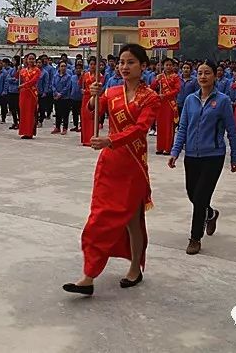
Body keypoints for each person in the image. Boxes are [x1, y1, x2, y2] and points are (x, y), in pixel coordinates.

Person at [63, 44, 160, 296]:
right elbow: (92, 111)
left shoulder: (150, 97)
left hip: (133, 165)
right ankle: (88, 275)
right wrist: (94, 96)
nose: (124, 67)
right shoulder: (112, 91)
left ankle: (135, 267)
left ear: (143, 66)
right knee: (99, 217)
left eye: (130, 62)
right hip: (109, 165)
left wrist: (110, 140)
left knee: (131, 221)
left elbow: (140, 129)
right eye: (121, 62)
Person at [168, 59, 236, 255]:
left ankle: (195, 238)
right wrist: (175, 151)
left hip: (213, 156)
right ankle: (210, 213)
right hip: (191, 155)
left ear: (215, 76)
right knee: (192, 193)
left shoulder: (222, 101)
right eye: (200, 73)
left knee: (200, 197)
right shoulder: (190, 99)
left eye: (207, 73)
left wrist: (235, 156)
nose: (203, 76)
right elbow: (183, 128)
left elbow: (231, 130)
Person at [151, 57, 180, 155]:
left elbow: (177, 90)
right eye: (166, 65)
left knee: (169, 126)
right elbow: (152, 87)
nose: (168, 67)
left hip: (170, 103)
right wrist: (156, 80)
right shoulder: (160, 76)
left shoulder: (175, 77)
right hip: (161, 104)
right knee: (160, 125)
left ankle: (168, 148)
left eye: (170, 65)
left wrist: (166, 95)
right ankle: (160, 147)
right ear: (163, 66)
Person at [18, 53, 41, 139]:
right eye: (29, 59)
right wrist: (17, 70)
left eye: (33, 59)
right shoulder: (23, 70)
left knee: (30, 113)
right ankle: (24, 131)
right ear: (26, 60)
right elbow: (16, 78)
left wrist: (23, 85)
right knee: (23, 113)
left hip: (31, 94)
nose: (31, 60)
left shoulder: (37, 70)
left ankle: (29, 132)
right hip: (23, 94)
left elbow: (33, 81)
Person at [80, 57, 98, 147]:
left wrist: (88, 91)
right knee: (84, 117)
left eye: (94, 64)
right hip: (85, 98)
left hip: (93, 98)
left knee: (92, 118)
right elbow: (80, 84)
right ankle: (85, 139)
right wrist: (81, 75)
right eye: (91, 64)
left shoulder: (99, 76)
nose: (92, 66)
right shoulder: (85, 74)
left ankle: (91, 138)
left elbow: (99, 88)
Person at [52, 60, 72, 135]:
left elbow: (67, 87)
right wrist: (56, 93)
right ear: (59, 67)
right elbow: (53, 85)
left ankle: (65, 128)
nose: (63, 68)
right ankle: (57, 127)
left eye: (64, 66)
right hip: (56, 97)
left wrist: (60, 94)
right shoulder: (55, 76)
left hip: (65, 98)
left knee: (65, 114)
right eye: (62, 66)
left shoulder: (68, 77)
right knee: (57, 113)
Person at [68, 61, 84, 133]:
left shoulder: (84, 77)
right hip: (73, 97)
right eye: (77, 68)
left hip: (81, 98)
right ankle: (75, 125)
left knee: (81, 113)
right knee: (74, 112)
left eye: (79, 68)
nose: (78, 70)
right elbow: (70, 87)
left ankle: (81, 126)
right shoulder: (72, 77)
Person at [6, 57, 20, 130]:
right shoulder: (12, 70)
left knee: (18, 108)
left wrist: (13, 80)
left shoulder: (20, 69)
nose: (12, 62)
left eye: (14, 60)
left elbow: (19, 80)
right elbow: (8, 78)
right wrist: (13, 79)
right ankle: (15, 121)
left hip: (17, 91)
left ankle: (20, 122)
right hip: (11, 90)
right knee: (12, 108)